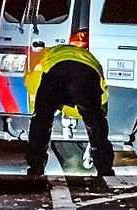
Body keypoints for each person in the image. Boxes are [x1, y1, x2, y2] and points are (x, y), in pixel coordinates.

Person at [25, 44, 115, 177]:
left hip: (56, 70)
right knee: (95, 121)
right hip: (86, 73)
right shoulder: (90, 61)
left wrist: (46, 109)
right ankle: (104, 168)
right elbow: (100, 109)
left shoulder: (48, 58)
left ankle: (36, 167)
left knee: (42, 120)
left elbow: (39, 109)